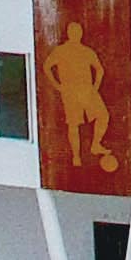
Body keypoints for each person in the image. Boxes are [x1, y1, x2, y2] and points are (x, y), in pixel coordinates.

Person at [44, 23, 119, 172]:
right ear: (69, 34)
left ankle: (96, 144)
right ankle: (76, 156)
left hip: (86, 90)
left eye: (78, 32)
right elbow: (47, 66)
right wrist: (57, 85)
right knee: (73, 124)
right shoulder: (61, 51)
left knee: (102, 115)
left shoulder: (86, 51)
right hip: (70, 91)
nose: (77, 34)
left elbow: (99, 70)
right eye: (74, 32)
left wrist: (95, 87)